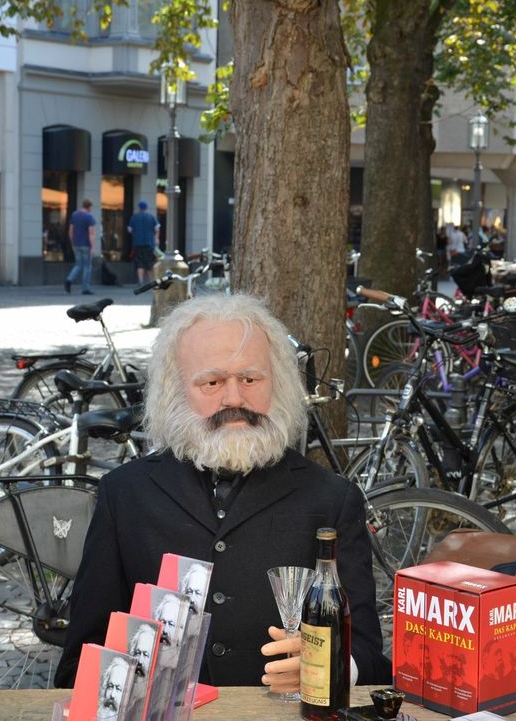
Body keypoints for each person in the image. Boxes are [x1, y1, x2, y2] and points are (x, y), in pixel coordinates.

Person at [55, 294, 390, 691]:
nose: (234, 399)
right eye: (212, 382)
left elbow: (369, 655)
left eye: (250, 379)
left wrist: (333, 667)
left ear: (278, 384)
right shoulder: (124, 495)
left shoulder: (332, 500)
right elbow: (81, 659)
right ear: (175, 392)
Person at [65, 199, 96, 295]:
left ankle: (69, 279)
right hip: (86, 244)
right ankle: (85, 288)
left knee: (78, 264)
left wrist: (72, 243)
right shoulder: (89, 217)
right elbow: (91, 233)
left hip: (76, 244)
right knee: (87, 266)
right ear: (89, 207)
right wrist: (93, 247)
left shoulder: (74, 215)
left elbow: (70, 231)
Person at [127, 200, 160, 285]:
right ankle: (151, 281)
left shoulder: (134, 217)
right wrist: (156, 239)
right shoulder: (151, 217)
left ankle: (140, 281)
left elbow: (130, 230)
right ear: (146, 207)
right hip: (149, 243)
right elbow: (157, 229)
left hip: (137, 243)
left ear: (139, 208)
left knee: (139, 263)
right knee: (149, 263)